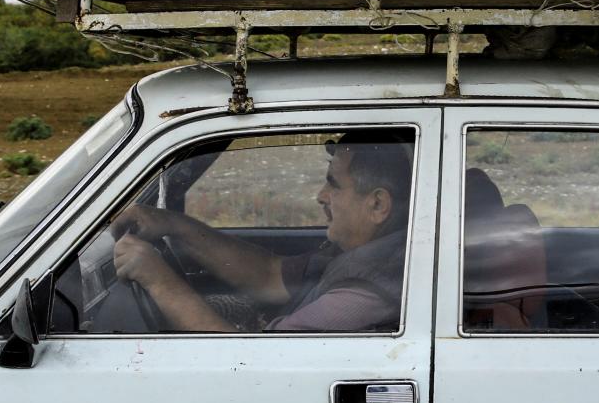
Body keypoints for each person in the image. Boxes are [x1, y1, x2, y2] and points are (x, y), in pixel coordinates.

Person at [110, 130, 413, 332]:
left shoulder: (371, 292)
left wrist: (159, 281)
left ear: (377, 205)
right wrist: (173, 224)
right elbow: (269, 274)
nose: (321, 196)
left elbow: (245, 361)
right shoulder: (367, 250)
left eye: (333, 184)